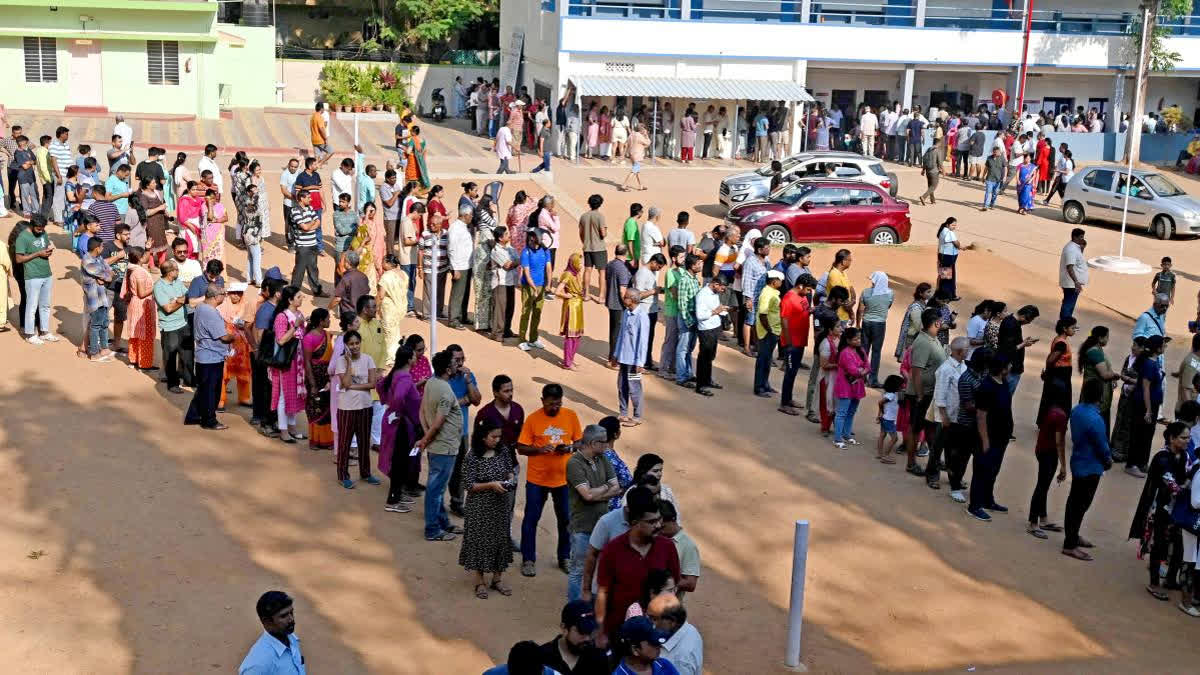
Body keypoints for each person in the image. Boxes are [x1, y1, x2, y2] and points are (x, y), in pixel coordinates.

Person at [596, 492, 680, 645]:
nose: (658, 525)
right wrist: (601, 632)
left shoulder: (667, 547)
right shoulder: (612, 550)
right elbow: (603, 593)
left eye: (659, 519)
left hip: (657, 633)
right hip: (618, 631)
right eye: (652, 521)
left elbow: (675, 586)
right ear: (635, 522)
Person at [518, 383, 582, 577]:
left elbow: (579, 441)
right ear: (542, 401)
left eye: (558, 404)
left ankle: (564, 557)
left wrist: (569, 448)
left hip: (563, 480)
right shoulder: (533, 419)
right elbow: (521, 447)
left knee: (565, 520)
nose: (555, 407)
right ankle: (528, 559)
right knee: (531, 519)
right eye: (551, 404)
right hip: (537, 480)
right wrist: (539, 449)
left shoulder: (570, 416)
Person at [1130, 417, 1192, 602]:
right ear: (1172, 438)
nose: (1187, 441)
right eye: (1183, 438)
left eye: (1188, 438)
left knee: (1178, 546)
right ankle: (1154, 583)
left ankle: (1171, 580)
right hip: (1160, 510)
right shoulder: (1162, 458)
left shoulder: (1185, 456)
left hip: (1176, 510)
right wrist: (1189, 484)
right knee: (1159, 546)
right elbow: (1173, 486)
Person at [458, 416, 517, 599]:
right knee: (479, 540)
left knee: (500, 538)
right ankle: (479, 581)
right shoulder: (473, 456)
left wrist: (510, 479)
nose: (497, 440)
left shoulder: (503, 451)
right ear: (483, 437)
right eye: (494, 437)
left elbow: (510, 470)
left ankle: (497, 579)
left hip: (500, 504)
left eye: (499, 436)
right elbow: (469, 485)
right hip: (479, 507)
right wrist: (491, 485)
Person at [566, 424, 621, 602]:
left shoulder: (603, 458)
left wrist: (598, 491)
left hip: (601, 525)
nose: (607, 446)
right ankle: (575, 612)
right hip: (583, 525)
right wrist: (605, 489)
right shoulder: (574, 463)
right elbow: (586, 495)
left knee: (601, 569)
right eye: (604, 443)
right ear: (593, 442)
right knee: (578, 570)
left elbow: (617, 488)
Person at [417, 349, 467, 542]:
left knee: (435, 486)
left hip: (437, 445)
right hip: (444, 447)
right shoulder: (446, 390)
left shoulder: (431, 382)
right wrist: (426, 439)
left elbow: (422, 412)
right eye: (454, 363)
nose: (458, 365)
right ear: (447, 369)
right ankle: (432, 529)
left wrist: (425, 436)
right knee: (436, 489)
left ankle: (443, 522)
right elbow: (438, 422)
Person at [1063, 378, 1114, 561]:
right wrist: (1108, 460)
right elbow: (1102, 446)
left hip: (1078, 462)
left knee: (1074, 503)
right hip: (1091, 466)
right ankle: (1070, 544)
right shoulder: (1096, 419)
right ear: (1100, 396)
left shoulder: (1077, 411)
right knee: (1080, 505)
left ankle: (1073, 536)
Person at [966, 355, 1015, 522]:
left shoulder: (1003, 382)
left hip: (1001, 437)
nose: (1010, 367)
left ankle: (987, 500)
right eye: (1008, 365)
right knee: (982, 471)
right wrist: (985, 440)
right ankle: (974, 506)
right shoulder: (987, 387)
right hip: (988, 438)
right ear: (1002, 369)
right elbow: (981, 416)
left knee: (993, 470)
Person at [378, 345, 422, 513]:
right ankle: (393, 500)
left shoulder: (395, 374)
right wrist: (400, 412)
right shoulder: (404, 377)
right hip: (401, 424)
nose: (416, 358)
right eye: (414, 355)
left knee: (399, 460)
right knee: (399, 462)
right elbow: (398, 398)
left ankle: (398, 494)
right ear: (409, 359)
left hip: (395, 422)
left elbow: (380, 386)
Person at [185, 284, 234, 431]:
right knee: (211, 392)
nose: (225, 296)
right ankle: (209, 420)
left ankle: (193, 415)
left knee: (204, 389)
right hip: (211, 357)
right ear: (215, 297)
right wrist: (234, 336)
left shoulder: (201, 307)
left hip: (205, 356)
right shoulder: (210, 313)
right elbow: (223, 337)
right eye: (223, 294)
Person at [1028, 379, 1069, 539]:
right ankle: (1033, 522)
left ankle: (1042, 518)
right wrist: (1064, 466)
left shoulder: (1048, 409)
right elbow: (1060, 442)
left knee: (1043, 484)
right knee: (1042, 486)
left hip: (1041, 450)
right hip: (1049, 453)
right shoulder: (1060, 415)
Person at [270, 287, 308, 444]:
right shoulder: (281, 317)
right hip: (286, 360)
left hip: (298, 360)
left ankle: (292, 428)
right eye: (298, 297)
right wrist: (296, 326)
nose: (302, 298)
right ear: (290, 300)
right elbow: (280, 340)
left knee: (293, 394)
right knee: (284, 396)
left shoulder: (299, 314)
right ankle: (283, 430)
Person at [1127, 335, 1166, 478]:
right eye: (1163, 344)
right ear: (1157, 348)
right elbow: (1145, 388)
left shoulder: (1154, 362)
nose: (1165, 346)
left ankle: (1142, 462)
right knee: (1139, 434)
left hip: (1152, 404)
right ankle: (1132, 464)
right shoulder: (1149, 364)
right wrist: (1148, 409)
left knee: (1147, 434)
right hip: (1144, 405)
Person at [14, 215, 58, 344]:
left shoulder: (43, 232)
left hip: (47, 274)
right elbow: (18, 259)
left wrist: (48, 251)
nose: (41, 231)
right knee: (32, 306)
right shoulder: (22, 238)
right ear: (31, 226)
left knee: (45, 305)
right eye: (38, 229)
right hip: (32, 276)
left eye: (42, 228)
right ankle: (29, 334)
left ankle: (44, 332)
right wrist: (38, 254)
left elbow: (46, 245)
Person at [237, 591, 303, 675]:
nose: (291, 619)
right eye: (283, 616)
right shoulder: (257, 665)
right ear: (267, 622)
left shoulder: (292, 639)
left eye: (291, 612)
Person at [539, 600, 610, 675]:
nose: (587, 638)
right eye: (581, 631)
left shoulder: (599, 659)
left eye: (590, 632)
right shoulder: (541, 658)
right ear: (564, 628)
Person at [216, 282, 254, 411]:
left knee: (244, 373)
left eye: (239, 293)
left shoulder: (247, 306)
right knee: (223, 374)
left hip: (242, 346)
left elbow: (250, 324)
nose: (236, 296)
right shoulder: (221, 307)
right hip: (226, 345)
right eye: (234, 293)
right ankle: (220, 399)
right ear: (229, 293)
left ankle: (244, 397)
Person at [648, 594, 703, 675]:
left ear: (672, 622)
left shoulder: (680, 661)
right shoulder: (689, 629)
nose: (648, 622)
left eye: (654, 619)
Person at [693, 276, 729, 397]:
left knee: (710, 356)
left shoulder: (714, 293)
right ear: (715, 284)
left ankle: (707, 380)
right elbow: (700, 315)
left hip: (714, 328)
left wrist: (724, 310)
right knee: (704, 357)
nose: (722, 291)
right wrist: (716, 311)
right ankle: (700, 386)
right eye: (722, 288)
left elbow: (717, 308)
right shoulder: (702, 295)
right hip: (706, 330)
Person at [518, 230, 552, 352]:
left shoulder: (545, 251)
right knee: (526, 312)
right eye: (529, 239)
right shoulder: (525, 252)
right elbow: (526, 273)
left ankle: (533, 339)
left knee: (537, 313)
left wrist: (548, 284)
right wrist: (533, 288)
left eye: (533, 239)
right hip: (528, 287)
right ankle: (522, 340)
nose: (530, 241)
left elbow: (548, 268)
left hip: (541, 286)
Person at [674, 253, 704, 389]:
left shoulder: (693, 278)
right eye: (698, 264)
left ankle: (688, 373)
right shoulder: (684, 280)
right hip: (687, 317)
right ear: (692, 266)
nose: (701, 265)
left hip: (694, 317)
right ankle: (681, 377)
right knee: (682, 348)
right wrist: (688, 321)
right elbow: (682, 304)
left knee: (689, 348)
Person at [858, 270, 893, 387]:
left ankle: (861, 376)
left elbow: (860, 309)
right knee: (876, 352)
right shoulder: (890, 294)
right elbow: (888, 306)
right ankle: (873, 379)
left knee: (864, 350)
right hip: (880, 324)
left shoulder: (866, 292)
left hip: (866, 322)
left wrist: (858, 324)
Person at [754, 270, 784, 397]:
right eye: (780, 280)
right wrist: (769, 330)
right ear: (774, 281)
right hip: (767, 332)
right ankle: (759, 387)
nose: (781, 283)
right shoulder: (767, 293)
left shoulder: (773, 292)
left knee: (767, 359)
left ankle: (765, 384)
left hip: (773, 330)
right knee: (763, 359)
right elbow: (763, 314)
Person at [998, 304, 1040, 395]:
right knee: (1005, 397)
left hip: (1012, 367)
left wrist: (1024, 342)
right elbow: (1008, 349)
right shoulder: (1011, 325)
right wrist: (1024, 343)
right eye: (1029, 320)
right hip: (1010, 368)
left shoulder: (1012, 322)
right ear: (1023, 316)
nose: (1028, 323)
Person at [605, 244, 635, 363]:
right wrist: (629, 305)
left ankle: (612, 357)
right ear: (626, 253)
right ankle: (614, 360)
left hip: (611, 302)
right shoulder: (622, 269)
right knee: (618, 333)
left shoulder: (611, 264)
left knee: (614, 332)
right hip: (619, 304)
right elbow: (622, 290)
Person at [556, 253, 586, 370]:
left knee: (577, 336)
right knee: (570, 336)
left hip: (578, 306)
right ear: (573, 263)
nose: (581, 265)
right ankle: (567, 363)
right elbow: (557, 292)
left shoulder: (577, 274)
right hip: (571, 307)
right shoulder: (567, 275)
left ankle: (571, 359)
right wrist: (567, 296)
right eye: (580, 263)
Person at [578, 194, 607, 302]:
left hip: (587, 247)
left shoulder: (584, 216)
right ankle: (601, 297)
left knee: (587, 271)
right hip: (599, 247)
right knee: (602, 272)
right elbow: (603, 234)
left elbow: (581, 233)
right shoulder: (600, 216)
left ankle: (586, 294)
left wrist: (585, 242)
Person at [1059, 228, 1087, 321]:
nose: (1082, 239)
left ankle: (1067, 324)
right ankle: (1065, 325)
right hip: (1071, 282)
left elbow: (1078, 261)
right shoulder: (1071, 249)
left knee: (1069, 303)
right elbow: (1070, 267)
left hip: (1072, 282)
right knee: (1068, 304)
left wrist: (1082, 249)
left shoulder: (1076, 247)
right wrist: (1076, 282)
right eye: (1081, 237)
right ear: (1074, 237)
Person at [935, 218, 961, 300]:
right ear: (947, 224)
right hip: (947, 257)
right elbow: (956, 244)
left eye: (955, 225)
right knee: (947, 277)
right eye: (953, 225)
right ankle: (946, 296)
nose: (954, 227)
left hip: (944, 256)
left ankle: (946, 295)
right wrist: (960, 246)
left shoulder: (943, 231)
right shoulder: (949, 233)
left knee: (945, 276)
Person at [981, 145, 1005, 210]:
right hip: (989, 179)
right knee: (988, 192)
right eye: (996, 152)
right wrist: (983, 176)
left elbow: (1004, 168)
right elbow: (986, 168)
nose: (998, 153)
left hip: (998, 180)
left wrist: (1004, 177)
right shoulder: (989, 158)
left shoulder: (1002, 159)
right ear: (993, 152)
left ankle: (992, 204)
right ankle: (986, 205)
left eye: (998, 152)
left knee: (995, 194)